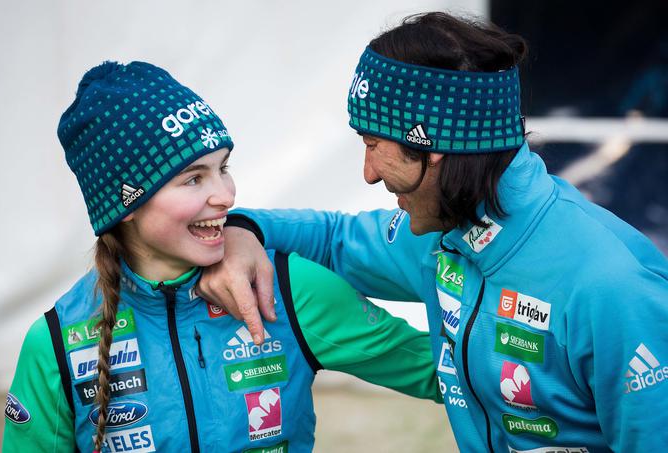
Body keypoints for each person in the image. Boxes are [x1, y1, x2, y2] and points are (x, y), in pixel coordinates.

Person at [199, 12, 668, 452]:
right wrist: (239, 230)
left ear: (433, 144)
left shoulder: (612, 284)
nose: (367, 173)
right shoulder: (449, 231)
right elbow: (333, 239)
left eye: (373, 144)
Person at [2, 61, 442, 453]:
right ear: (127, 203)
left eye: (223, 168)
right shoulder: (56, 340)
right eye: (194, 179)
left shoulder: (287, 288)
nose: (226, 195)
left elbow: (449, 374)